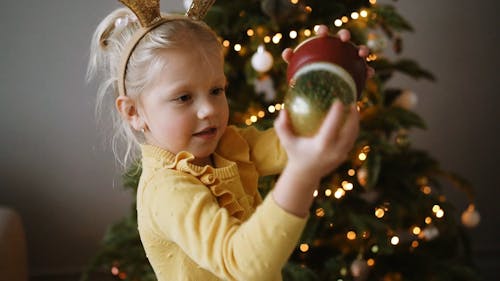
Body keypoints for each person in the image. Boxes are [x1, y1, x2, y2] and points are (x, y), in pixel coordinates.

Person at [88, 3, 370, 281]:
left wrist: (329, 83)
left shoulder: (227, 145)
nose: (208, 109)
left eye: (216, 90)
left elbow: (297, 139)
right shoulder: (167, 191)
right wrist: (302, 174)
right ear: (134, 113)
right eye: (184, 97)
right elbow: (242, 265)